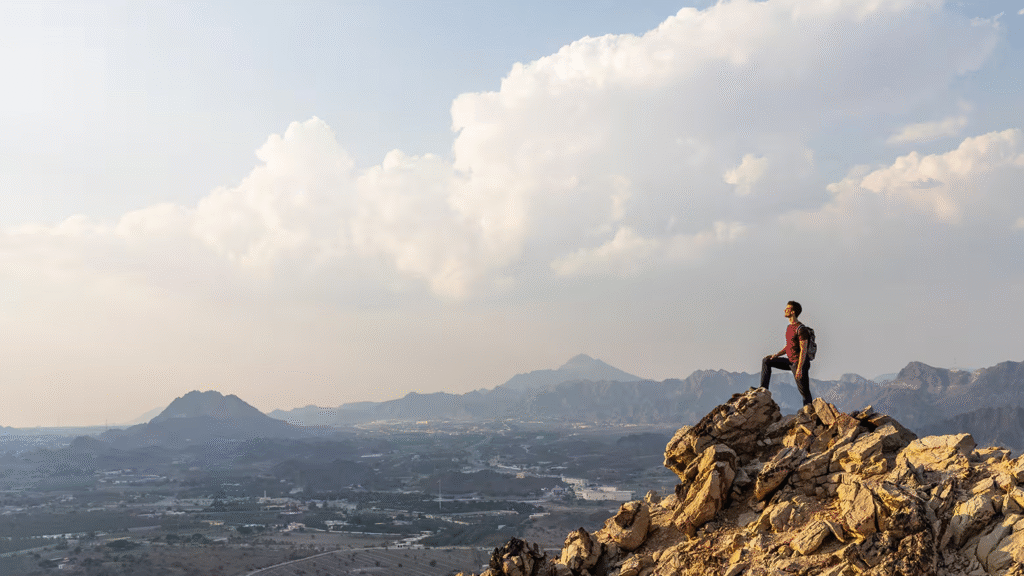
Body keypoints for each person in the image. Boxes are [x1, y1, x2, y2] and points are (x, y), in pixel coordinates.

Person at [761, 300, 814, 406]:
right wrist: (777, 355)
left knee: (804, 392)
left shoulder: (801, 329)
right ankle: (762, 390)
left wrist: (799, 368)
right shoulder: (789, 327)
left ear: (793, 312)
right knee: (767, 360)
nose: (785, 310)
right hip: (790, 361)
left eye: (787, 308)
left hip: (799, 363)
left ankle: (810, 413)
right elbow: (789, 346)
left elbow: (803, 349)